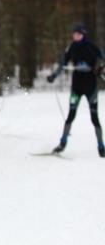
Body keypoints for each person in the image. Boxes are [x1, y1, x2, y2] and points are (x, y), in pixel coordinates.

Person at [47, 24, 105, 157]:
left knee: (94, 118)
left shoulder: (91, 46)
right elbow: (63, 64)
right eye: (74, 34)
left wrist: (100, 68)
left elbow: (102, 58)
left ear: (83, 34)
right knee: (70, 116)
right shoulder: (72, 47)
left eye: (78, 34)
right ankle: (62, 143)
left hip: (91, 87)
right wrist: (53, 76)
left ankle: (101, 147)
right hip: (76, 88)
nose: (75, 36)